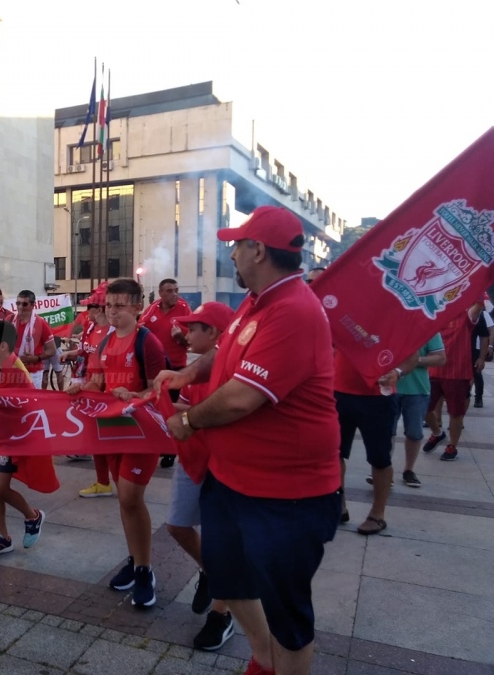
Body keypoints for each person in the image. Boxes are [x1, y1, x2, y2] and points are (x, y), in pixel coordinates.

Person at [157, 206, 340, 675]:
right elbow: (222, 354)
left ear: (258, 251)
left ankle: (283, 661)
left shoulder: (294, 310)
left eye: (237, 245)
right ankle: (263, 660)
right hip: (231, 481)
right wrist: (187, 371)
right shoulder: (256, 304)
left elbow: (240, 399)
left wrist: (190, 421)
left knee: (288, 614)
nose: (232, 254)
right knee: (228, 577)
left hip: (285, 496)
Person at [68, 278, 166, 609]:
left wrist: (134, 396)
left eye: (120, 305)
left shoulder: (147, 343)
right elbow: (98, 380)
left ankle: (144, 570)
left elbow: (158, 392)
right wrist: (80, 387)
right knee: (124, 502)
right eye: (109, 305)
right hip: (111, 431)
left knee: (129, 495)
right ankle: (135, 559)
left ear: (137, 307)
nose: (112, 311)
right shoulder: (105, 342)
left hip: (141, 434)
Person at [165, 302, 236, 651]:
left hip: (225, 460)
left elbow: (223, 411)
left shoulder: (233, 367)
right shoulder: (198, 367)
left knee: (222, 537)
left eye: (194, 328)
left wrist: (188, 416)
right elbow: (188, 409)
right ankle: (211, 571)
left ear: (214, 333)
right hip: (192, 454)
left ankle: (222, 615)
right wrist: (144, 399)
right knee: (177, 525)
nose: (185, 334)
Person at [0, 321, 52, 559]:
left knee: (0, 488)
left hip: (10, 437)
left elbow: (26, 403)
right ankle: (2, 537)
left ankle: (33, 516)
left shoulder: (16, 369)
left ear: (3, 346)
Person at [334, 350, 416, 534]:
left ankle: (377, 514)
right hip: (339, 392)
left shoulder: (395, 321)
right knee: (334, 454)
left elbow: (412, 356)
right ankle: (339, 507)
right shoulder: (343, 320)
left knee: (379, 458)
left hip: (379, 398)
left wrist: (398, 372)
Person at [62, 290, 114, 494]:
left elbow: (106, 370)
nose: (85, 310)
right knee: (97, 439)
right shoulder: (91, 327)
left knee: (108, 442)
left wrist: (85, 388)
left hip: (104, 393)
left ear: (99, 309)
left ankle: (119, 485)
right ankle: (103, 482)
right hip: (91, 388)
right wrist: (70, 353)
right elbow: (86, 351)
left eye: (89, 306)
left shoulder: (111, 332)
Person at [423, 300, 487, 461]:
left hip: (456, 372)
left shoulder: (466, 315)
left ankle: (452, 446)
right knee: (423, 408)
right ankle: (438, 433)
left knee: (455, 412)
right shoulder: (435, 313)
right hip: (433, 369)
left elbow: (479, 305)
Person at [380, 335, 445, 489]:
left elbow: (441, 358)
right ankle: (383, 468)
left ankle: (409, 470)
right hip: (389, 387)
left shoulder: (427, 327)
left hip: (418, 388)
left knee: (414, 433)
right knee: (386, 431)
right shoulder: (389, 324)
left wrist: (416, 360)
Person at [138, 278, 190, 468]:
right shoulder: (152, 308)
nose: (174, 294)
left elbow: (191, 342)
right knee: (155, 407)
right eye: (169, 291)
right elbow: (141, 329)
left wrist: (180, 337)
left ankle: (170, 450)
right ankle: (157, 443)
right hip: (155, 369)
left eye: (176, 290)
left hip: (176, 368)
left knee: (172, 408)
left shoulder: (184, 309)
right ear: (161, 293)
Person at [12, 290, 57, 389]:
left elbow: (52, 349)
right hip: (12, 372)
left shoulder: (41, 324)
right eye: (18, 303)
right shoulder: (10, 320)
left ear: (33, 305)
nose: (20, 307)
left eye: (24, 304)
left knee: (31, 403)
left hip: (33, 372)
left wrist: (37, 358)